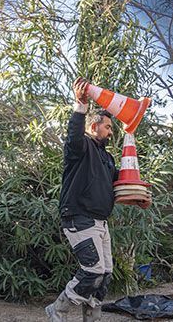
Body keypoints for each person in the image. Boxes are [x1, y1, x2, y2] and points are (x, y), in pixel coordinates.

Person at [45, 78, 118, 322]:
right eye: (108, 127)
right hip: (79, 217)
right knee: (93, 270)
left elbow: (119, 184)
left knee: (105, 274)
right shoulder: (81, 147)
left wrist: (139, 196)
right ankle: (58, 309)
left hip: (101, 222)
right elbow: (73, 135)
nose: (110, 132)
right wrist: (80, 105)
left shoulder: (107, 158)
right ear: (94, 126)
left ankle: (93, 317)